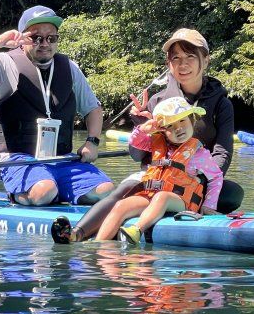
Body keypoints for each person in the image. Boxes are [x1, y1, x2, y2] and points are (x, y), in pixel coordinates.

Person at [50, 28, 243, 243]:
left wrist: (199, 181)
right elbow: (136, 155)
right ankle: (77, 233)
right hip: (156, 179)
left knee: (233, 193)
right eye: (175, 58)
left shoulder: (221, 104)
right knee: (123, 190)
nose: (183, 64)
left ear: (205, 60)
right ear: (168, 64)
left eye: (190, 57)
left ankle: (179, 205)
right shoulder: (157, 101)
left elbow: (222, 151)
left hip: (198, 176)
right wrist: (142, 124)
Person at [0, 5, 115, 206]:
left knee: (105, 191)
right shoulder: (5, 63)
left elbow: (93, 109)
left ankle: (59, 191)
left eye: (51, 38)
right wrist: (0, 41)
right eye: (36, 37)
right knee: (44, 191)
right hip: (19, 158)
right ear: (23, 39)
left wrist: (92, 142)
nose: (44, 43)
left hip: (62, 158)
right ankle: (26, 193)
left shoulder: (70, 67)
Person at [93, 97, 224, 244]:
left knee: (162, 197)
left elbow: (216, 177)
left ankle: (136, 230)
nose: (178, 128)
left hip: (181, 201)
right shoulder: (156, 144)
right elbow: (136, 142)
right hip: (151, 196)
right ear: (162, 131)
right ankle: (99, 243)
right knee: (121, 205)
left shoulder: (199, 154)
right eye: (170, 126)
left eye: (182, 121)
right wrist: (143, 130)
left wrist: (209, 205)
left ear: (192, 121)